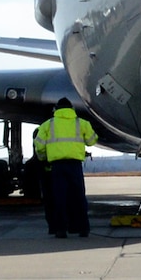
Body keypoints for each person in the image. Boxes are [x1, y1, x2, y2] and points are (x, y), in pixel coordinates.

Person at [36, 99, 98, 238]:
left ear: (56, 109)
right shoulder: (81, 123)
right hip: (75, 165)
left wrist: (43, 157)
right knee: (79, 197)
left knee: (59, 198)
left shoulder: (48, 125)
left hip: (57, 166)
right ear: (72, 109)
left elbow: (39, 145)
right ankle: (83, 229)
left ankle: (61, 230)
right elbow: (92, 140)